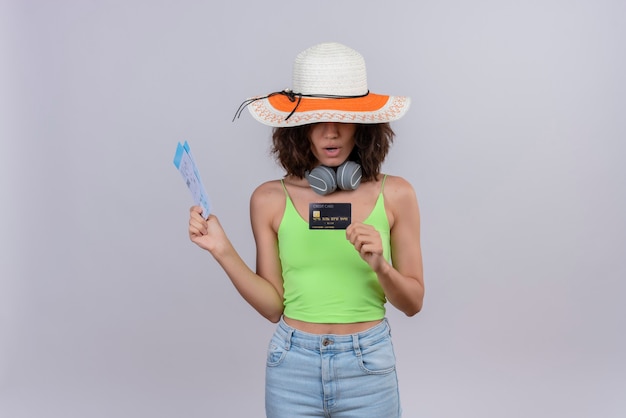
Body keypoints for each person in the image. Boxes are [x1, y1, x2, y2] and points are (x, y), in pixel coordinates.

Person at [188, 42, 424, 418]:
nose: (331, 133)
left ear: (363, 125)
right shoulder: (269, 199)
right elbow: (272, 308)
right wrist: (222, 250)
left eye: (342, 119)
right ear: (298, 128)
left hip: (368, 366)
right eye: (317, 120)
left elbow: (413, 303)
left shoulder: (396, 194)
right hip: (291, 365)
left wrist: (381, 265)